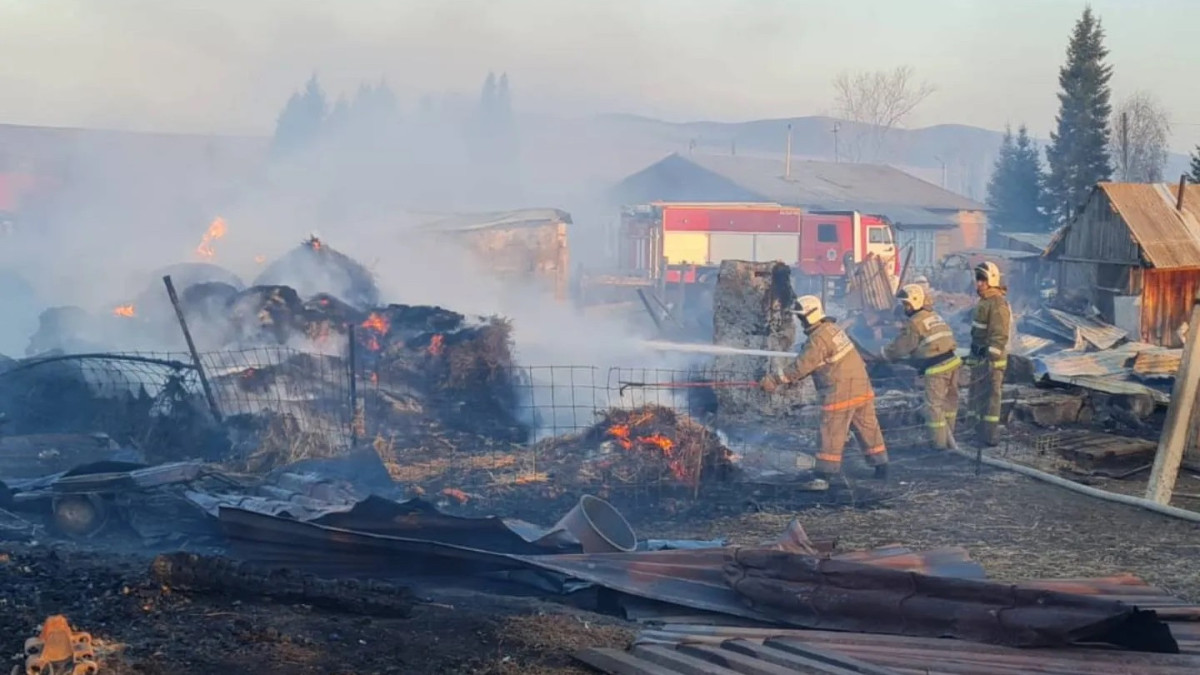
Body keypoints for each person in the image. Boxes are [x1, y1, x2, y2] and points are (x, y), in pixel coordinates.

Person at [760, 295, 889, 480]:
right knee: (868, 427)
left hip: (840, 391)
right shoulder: (832, 329)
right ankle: (881, 465)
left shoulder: (818, 338)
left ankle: (825, 474)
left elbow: (801, 366)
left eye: (802, 317)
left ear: (810, 316)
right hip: (861, 386)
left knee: (831, 431)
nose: (801, 321)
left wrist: (774, 380)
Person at [880, 284, 961, 450]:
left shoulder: (915, 323)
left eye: (906, 304)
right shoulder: (934, 316)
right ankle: (949, 439)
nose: (905, 308)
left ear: (915, 302)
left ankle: (939, 446)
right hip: (953, 362)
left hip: (937, 368)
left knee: (933, 408)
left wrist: (882, 355)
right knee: (949, 404)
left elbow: (902, 347)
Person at [966, 261, 1011, 446]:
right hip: (980, 358)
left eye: (982, 279)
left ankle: (989, 437)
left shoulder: (997, 303)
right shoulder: (984, 302)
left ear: (991, 280)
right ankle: (976, 432)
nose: (978, 283)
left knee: (991, 399)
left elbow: (999, 335)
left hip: (991, 362)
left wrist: (990, 358)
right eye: (977, 279)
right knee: (977, 396)